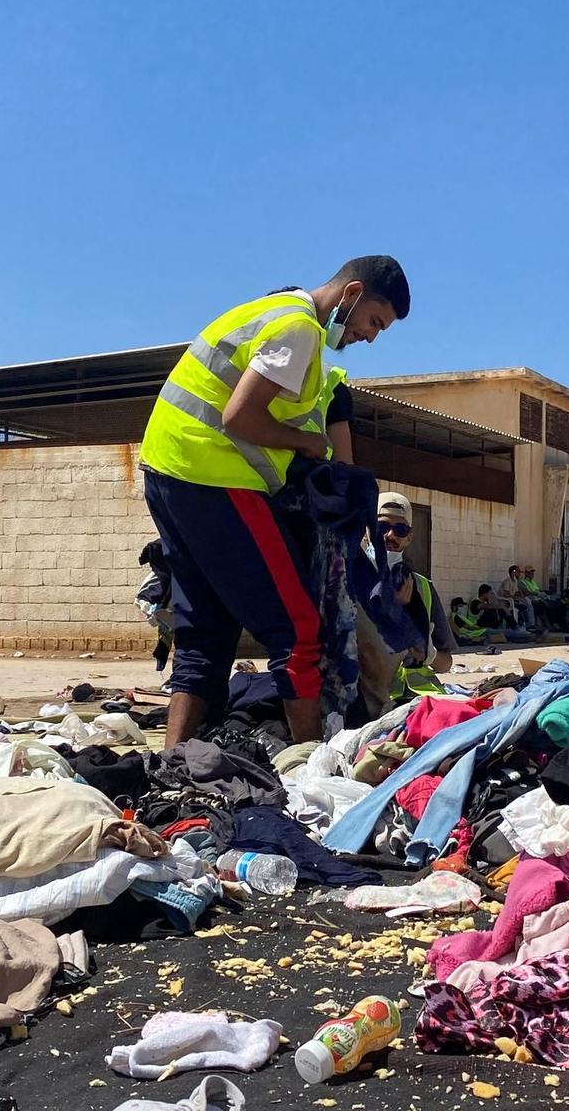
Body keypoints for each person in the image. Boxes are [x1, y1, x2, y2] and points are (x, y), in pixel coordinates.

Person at [138, 256, 409, 746]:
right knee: (299, 627)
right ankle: (308, 761)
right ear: (351, 292)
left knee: (206, 631)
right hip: (212, 476)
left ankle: (171, 761)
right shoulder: (298, 327)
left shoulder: (269, 311)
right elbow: (241, 416)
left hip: (167, 470)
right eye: (375, 321)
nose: (371, 336)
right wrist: (306, 445)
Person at [357, 491, 455, 710]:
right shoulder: (349, 582)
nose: (391, 535)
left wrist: (429, 655)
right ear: (367, 531)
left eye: (400, 529)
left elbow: (446, 664)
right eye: (382, 527)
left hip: (422, 698)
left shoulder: (423, 587)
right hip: (368, 698)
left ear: (409, 537)